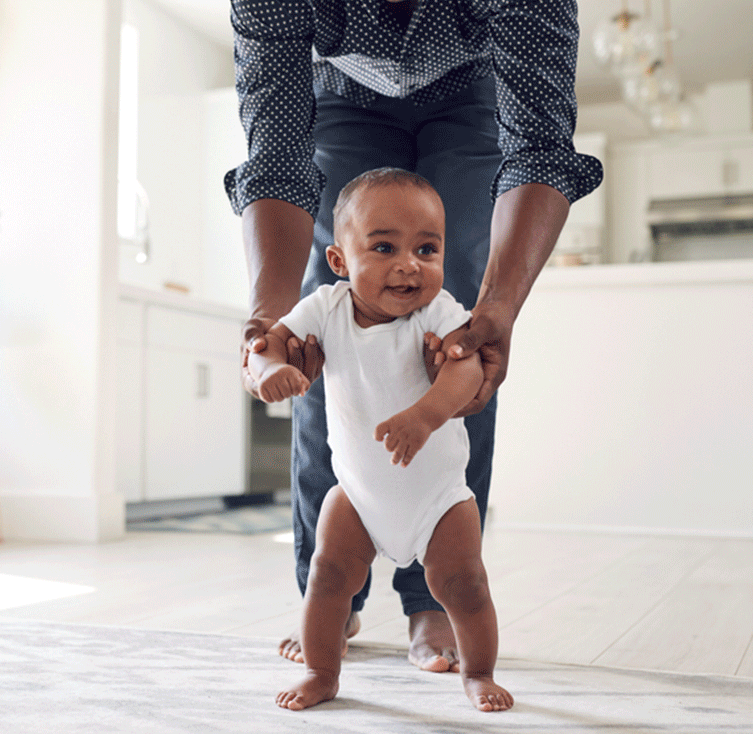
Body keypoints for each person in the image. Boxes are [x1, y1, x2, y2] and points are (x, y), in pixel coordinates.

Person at [225, 0, 603, 672]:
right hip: (341, 93)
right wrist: (268, 325)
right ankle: (330, 587)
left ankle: (434, 599)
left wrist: (499, 309)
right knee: (331, 327)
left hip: (475, 90)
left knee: (457, 331)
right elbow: (278, 153)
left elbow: (538, 146)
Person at [250, 167, 510, 711]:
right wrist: (270, 366)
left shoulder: (438, 312)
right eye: (385, 247)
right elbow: (270, 341)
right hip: (359, 495)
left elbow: (465, 372)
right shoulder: (327, 307)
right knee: (327, 577)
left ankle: (478, 673)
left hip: (438, 499)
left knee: (464, 584)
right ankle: (323, 673)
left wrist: (424, 416)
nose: (408, 264)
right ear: (341, 262)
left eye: (427, 248)